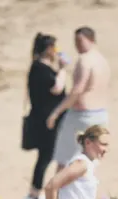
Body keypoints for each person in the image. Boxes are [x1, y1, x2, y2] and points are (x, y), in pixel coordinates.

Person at [46, 27, 110, 170]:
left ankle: (58, 192)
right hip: (100, 114)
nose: (77, 45)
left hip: (82, 115)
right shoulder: (102, 60)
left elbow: (77, 90)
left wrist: (56, 112)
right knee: (89, 160)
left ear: (91, 40)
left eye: (80, 41)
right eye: (75, 41)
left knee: (65, 159)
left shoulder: (85, 60)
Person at [25, 33, 67, 199]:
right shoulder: (40, 69)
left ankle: (35, 194)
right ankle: (34, 194)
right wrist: (63, 69)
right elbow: (57, 88)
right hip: (46, 121)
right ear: (48, 49)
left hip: (47, 119)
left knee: (47, 157)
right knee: (45, 157)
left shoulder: (41, 68)